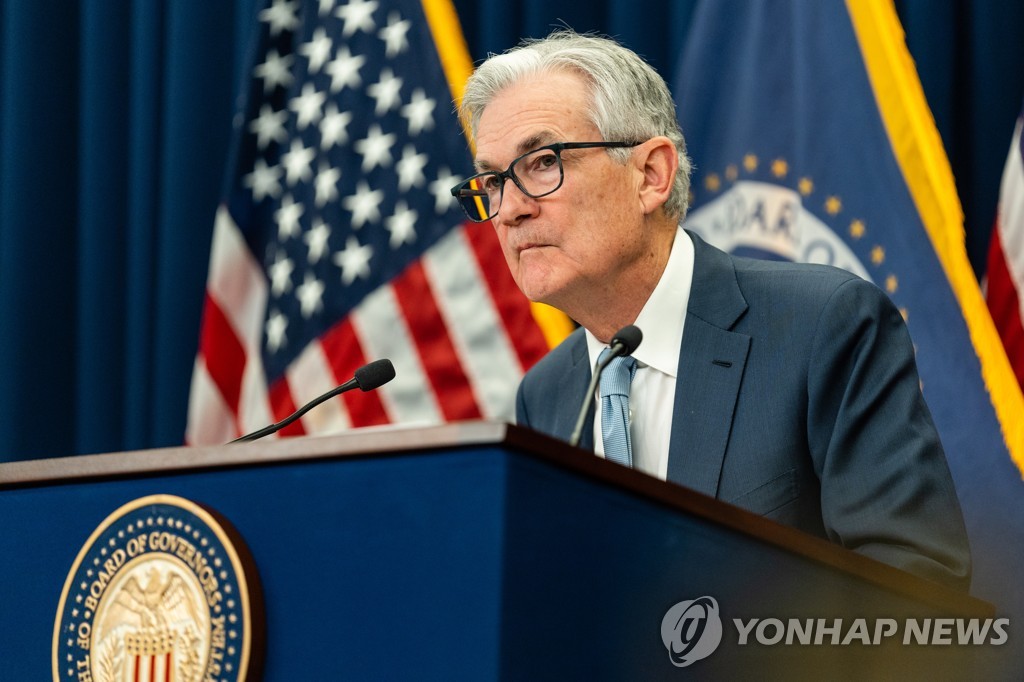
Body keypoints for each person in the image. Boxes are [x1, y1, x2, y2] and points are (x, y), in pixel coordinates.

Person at [450, 30, 970, 590]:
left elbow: (918, 580)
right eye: (493, 182)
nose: (509, 210)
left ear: (651, 175)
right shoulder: (547, 393)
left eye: (542, 162)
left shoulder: (824, 326)